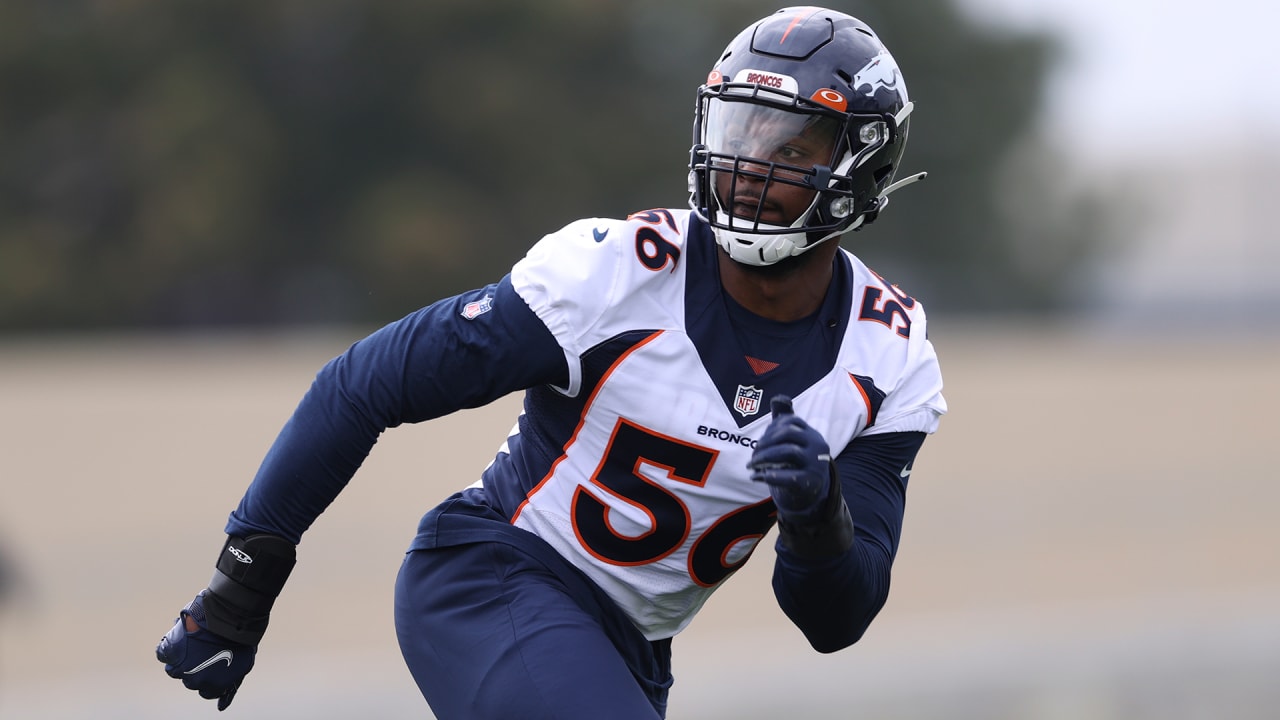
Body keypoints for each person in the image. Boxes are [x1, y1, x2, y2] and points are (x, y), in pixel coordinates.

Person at [156, 6, 946, 718]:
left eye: (789, 143)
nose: (749, 164)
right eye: (740, 132)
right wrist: (241, 585)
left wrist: (818, 518)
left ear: (860, 166)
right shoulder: (614, 276)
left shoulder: (890, 357)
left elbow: (835, 623)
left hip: (628, 650)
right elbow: (364, 384)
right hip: (492, 576)